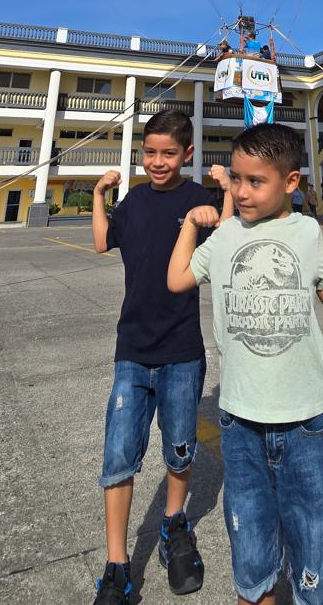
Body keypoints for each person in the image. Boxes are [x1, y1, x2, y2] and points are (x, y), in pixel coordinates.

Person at [168, 123, 323, 605]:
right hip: (239, 419)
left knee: (314, 531)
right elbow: (176, 280)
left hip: (304, 419)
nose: (242, 191)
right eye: (236, 179)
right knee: (250, 544)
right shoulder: (227, 233)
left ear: (291, 182)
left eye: (256, 181)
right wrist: (192, 226)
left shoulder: (307, 234)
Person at [90, 111, 232, 604]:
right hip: (132, 350)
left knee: (179, 449)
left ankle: (174, 527)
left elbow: (230, 239)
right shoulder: (133, 200)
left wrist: (226, 190)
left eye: (168, 153)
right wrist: (99, 196)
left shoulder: (198, 199)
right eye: (149, 152)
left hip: (181, 351)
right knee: (118, 457)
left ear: (187, 155)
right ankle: (116, 564)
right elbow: (102, 240)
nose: (157, 162)